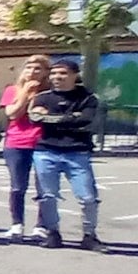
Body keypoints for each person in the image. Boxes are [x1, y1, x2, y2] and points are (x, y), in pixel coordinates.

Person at [29, 59, 101, 250]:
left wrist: (51, 118)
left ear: (75, 75)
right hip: (46, 151)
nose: (57, 77)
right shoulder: (42, 97)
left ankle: (89, 235)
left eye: (63, 73)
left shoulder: (88, 98)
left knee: (87, 197)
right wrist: (70, 117)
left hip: (77, 152)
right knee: (48, 195)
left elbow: (85, 120)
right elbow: (35, 118)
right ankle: (53, 233)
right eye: (53, 73)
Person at [0, 55, 51, 239]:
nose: (33, 72)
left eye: (38, 68)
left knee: (44, 188)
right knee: (18, 187)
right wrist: (25, 95)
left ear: (45, 72)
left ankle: (41, 226)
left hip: (44, 143)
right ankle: (17, 224)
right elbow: (12, 114)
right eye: (29, 68)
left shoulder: (50, 93)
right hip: (17, 143)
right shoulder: (12, 90)